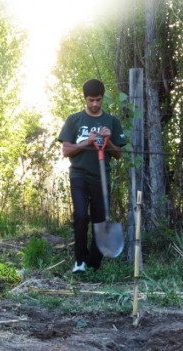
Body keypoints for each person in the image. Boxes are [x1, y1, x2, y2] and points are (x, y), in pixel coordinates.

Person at [58, 79, 125, 273]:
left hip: (101, 176)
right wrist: (87, 142)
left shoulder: (111, 121)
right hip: (78, 175)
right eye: (91, 100)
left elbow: (119, 154)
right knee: (80, 216)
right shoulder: (74, 120)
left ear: (103, 98)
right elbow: (66, 151)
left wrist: (108, 140)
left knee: (100, 219)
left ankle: (94, 263)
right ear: (85, 99)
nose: (95, 104)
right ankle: (80, 261)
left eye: (98, 100)